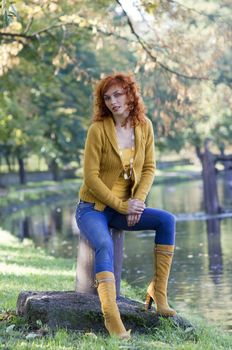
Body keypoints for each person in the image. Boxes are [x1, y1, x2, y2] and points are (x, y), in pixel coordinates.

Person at [75, 72, 176, 339]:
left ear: (130, 94)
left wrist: (138, 203)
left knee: (167, 221)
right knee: (104, 244)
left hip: (126, 207)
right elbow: (91, 178)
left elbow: (150, 168)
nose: (113, 101)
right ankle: (111, 316)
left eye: (118, 94)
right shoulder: (97, 130)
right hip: (92, 208)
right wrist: (122, 206)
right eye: (107, 97)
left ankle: (159, 294)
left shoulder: (145, 126)